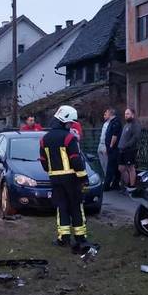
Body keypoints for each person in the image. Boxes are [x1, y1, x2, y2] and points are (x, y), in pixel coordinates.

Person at [39, 105, 92, 251]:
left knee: (61, 207)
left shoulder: (44, 139)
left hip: (55, 179)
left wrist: (53, 171)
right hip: (71, 179)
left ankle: (63, 238)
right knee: (76, 206)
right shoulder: (69, 138)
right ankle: (80, 238)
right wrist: (83, 178)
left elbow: (43, 162)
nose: (70, 125)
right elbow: (76, 160)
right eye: (70, 123)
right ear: (64, 121)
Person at [118, 108, 142, 193]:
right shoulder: (126, 125)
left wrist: (127, 145)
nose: (126, 115)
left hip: (130, 150)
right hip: (122, 150)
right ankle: (126, 184)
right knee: (121, 168)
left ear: (133, 115)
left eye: (128, 114)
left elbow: (135, 138)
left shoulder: (135, 125)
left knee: (131, 167)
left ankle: (132, 187)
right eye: (125, 114)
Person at [102, 108, 122, 191]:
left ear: (110, 114)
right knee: (116, 168)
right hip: (111, 148)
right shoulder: (111, 122)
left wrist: (110, 146)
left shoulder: (116, 122)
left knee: (110, 168)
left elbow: (114, 136)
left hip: (114, 149)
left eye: (106, 113)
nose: (105, 114)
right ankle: (116, 184)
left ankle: (106, 186)